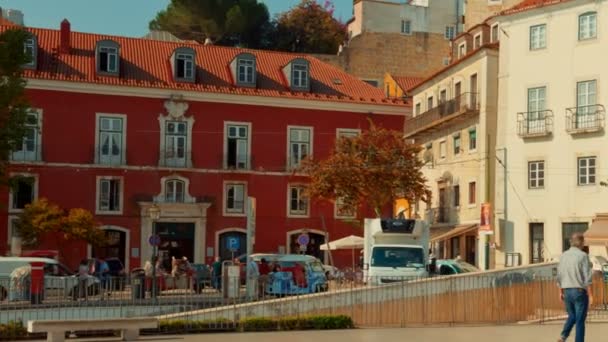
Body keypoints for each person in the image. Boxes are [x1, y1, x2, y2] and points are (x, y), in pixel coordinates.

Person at [557, 232, 593, 342]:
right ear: (581, 242)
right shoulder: (583, 256)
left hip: (567, 291)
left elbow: (559, 274)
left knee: (572, 316)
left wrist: (560, 291)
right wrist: (591, 295)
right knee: (580, 320)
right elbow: (587, 276)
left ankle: (563, 336)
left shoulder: (563, 255)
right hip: (579, 291)